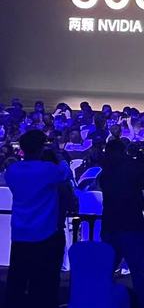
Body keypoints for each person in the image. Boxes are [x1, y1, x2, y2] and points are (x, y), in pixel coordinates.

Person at [5, 130, 73, 308]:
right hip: (45, 234)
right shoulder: (48, 169)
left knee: (17, 282)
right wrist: (58, 154)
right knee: (44, 283)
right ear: (41, 148)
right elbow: (65, 172)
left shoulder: (12, 170)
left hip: (20, 234)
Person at [99, 139, 144, 308]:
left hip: (110, 226)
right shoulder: (133, 167)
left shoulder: (105, 171)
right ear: (123, 151)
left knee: (106, 272)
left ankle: (103, 302)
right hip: (131, 226)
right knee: (138, 275)